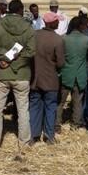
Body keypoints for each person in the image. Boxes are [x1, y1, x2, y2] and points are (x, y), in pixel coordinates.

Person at [0, 0, 36, 150]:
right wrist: (14, 62)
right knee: (23, 110)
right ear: (21, 10)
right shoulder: (28, 28)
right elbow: (31, 51)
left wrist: (5, 58)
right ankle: (24, 143)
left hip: (0, 73)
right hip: (21, 75)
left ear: (8, 9)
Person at [29, 12, 65, 144]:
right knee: (50, 108)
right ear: (51, 23)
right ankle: (49, 136)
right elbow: (61, 63)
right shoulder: (58, 40)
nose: (58, 23)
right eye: (57, 21)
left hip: (35, 78)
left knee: (34, 107)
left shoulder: (34, 36)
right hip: (51, 80)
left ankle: (33, 135)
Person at [56, 17, 88, 132]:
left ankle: (56, 125)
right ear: (80, 26)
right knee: (77, 102)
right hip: (80, 75)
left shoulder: (64, 39)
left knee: (60, 102)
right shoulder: (86, 40)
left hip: (65, 74)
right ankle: (75, 124)